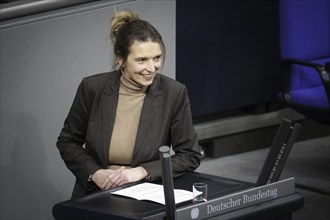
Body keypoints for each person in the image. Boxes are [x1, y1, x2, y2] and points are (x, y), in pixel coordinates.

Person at [56, 10, 202, 199]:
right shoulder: (92, 87)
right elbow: (68, 141)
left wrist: (142, 171)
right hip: (96, 191)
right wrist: (95, 173)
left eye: (157, 58)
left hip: (147, 191)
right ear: (120, 58)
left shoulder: (173, 92)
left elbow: (190, 155)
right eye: (141, 60)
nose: (152, 68)